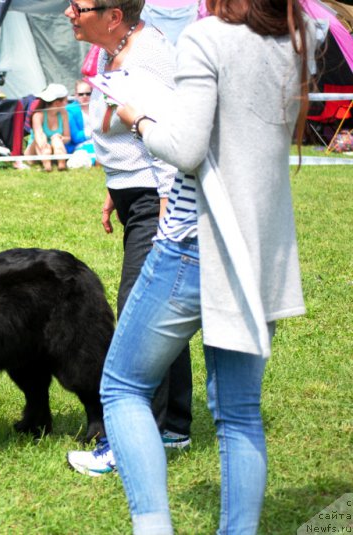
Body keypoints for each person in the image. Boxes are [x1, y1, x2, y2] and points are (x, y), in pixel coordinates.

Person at [105, 0, 314, 530]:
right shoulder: (296, 38)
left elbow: (186, 147)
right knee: (240, 413)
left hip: (193, 245)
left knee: (122, 387)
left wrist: (138, 117)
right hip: (258, 249)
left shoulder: (207, 37)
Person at [64, 0, 193, 476]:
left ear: (113, 14)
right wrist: (113, 187)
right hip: (134, 193)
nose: (68, 13)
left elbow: (163, 130)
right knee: (163, 311)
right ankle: (173, 426)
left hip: (157, 199)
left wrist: (163, 207)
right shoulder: (112, 51)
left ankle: (131, 441)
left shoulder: (146, 56)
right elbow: (121, 131)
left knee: (140, 314)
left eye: (78, 6)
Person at [23, 83, 71, 172]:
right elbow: (39, 137)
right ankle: (47, 165)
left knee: (56, 140)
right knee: (42, 139)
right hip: (35, 151)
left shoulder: (64, 114)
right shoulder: (38, 115)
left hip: (55, 149)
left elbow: (68, 137)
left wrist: (60, 138)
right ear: (57, 103)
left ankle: (61, 164)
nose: (67, 103)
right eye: (66, 100)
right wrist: (46, 147)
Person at [65, 80, 96, 168]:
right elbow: (76, 137)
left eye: (88, 94)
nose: (84, 96)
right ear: (75, 95)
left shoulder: (98, 108)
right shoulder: (69, 111)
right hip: (80, 146)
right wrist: (93, 132)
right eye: (81, 94)